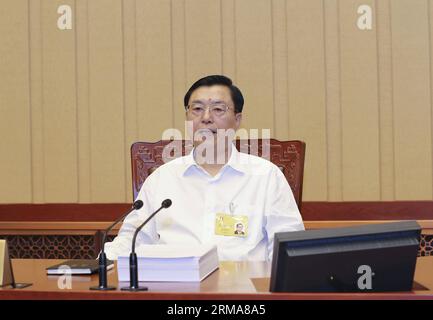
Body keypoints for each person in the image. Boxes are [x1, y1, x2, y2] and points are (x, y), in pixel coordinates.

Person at [105, 75, 304, 261]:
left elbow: (289, 248)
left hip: (243, 288)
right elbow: (131, 240)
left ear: (237, 120)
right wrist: (98, 267)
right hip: (174, 286)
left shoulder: (266, 176)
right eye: (197, 109)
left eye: (218, 109)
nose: (206, 117)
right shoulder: (161, 178)